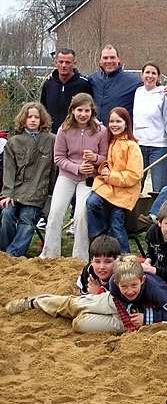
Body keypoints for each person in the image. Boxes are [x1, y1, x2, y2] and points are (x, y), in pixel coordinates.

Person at [6, 235, 124, 333]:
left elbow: (126, 295)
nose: (102, 266)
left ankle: (34, 302)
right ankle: (33, 302)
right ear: (91, 261)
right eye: (97, 262)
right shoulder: (89, 271)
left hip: (121, 312)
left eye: (108, 262)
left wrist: (98, 293)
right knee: (78, 321)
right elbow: (84, 295)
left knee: (73, 306)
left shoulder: (122, 274)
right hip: (108, 311)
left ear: (118, 260)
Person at [40, 94, 109, 260]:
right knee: (55, 212)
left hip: (89, 178)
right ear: (72, 110)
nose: (83, 114)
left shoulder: (101, 130)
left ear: (92, 112)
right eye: (79, 110)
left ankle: (79, 257)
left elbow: (106, 157)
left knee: (80, 215)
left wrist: (94, 159)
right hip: (68, 175)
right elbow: (58, 158)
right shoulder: (63, 130)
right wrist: (77, 168)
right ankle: (49, 254)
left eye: (87, 110)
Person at [0, 102, 56, 257]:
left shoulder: (51, 140)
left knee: (27, 219)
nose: (32, 120)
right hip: (15, 191)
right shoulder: (14, 142)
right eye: (29, 117)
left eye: (36, 117)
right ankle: (3, 252)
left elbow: (54, 171)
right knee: (6, 214)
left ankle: (13, 255)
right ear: (23, 119)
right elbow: (9, 171)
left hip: (37, 193)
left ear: (42, 119)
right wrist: (7, 194)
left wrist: (50, 196)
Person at [86, 107, 143, 253]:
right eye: (111, 121)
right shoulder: (110, 141)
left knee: (116, 224)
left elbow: (134, 175)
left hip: (125, 190)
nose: (114, 124)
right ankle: (100, 241)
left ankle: (125, 257)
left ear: (126, 123)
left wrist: (112, 176)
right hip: (108, 186)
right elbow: (107, 162)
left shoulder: (132, 146)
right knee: (92, 202)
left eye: (118, 121)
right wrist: (103, 168)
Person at [133, 62, 167, 192]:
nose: (150, 76)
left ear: (158, 77)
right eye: (147, 72)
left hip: (159, 147)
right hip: (138, 146)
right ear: (141, 75)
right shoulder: (137, 92)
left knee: (158, 189)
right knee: (134, 188)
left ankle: (157, 213)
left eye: (153, 73)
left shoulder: (164, 93)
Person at [109, 255, 167, 331]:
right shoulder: (113, 285)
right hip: (117, 303)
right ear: (117, 283)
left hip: (149, 309)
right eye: (124, 286)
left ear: (142, 280)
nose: (130, 291)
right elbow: (119, 303)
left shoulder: (158, 291)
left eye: (134, 285)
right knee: (96, 308)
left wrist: (146, 318)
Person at [40, 48, 92, 134]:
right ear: (56, 63)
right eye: (61, 62)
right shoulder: (49, 83)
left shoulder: (83, 84)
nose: (64, 65)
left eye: (67, 62)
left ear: (74, 64)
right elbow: (43, 109)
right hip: (51, 134)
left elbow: (90, 110)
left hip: (75, 135)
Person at [88, 45, 142, 125]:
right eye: (105, 58)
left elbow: (151, 90)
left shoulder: (133, 81)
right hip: (97, 133)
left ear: (118, 60)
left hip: (120, 133)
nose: (109, 61)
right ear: (100, 61)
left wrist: (165, 90)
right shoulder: (92, 79)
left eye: (112, 57)